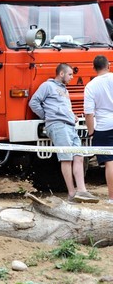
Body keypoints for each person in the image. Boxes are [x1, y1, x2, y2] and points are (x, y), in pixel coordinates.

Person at [30, 63, 97, 202]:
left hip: (70, 126)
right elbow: (34, 102)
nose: (72, 77)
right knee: (66, 158)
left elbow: (61, 106)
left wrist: (71, 115)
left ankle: (82, 191)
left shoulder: (65, 90)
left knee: (78, 156)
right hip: (58, 126)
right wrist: (48, 116)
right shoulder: (47, 86)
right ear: (61, 74)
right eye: (70, 74)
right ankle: (71, 193)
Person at [84, 55, 113, 203]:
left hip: (104, 126)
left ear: (94, 68)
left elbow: (89, 113)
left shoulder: (91, 86)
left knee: (110, 162)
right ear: (108, 65)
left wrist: (91, 132)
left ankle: (112, 197)